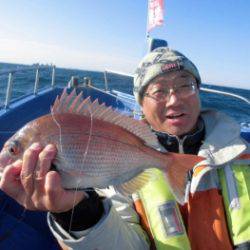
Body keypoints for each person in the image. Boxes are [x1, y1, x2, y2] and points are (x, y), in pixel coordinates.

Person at [0, 47, 249, 250]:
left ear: (198, 92)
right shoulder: (111, 178)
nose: (174, 99)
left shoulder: (244, 154)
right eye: (159, 90)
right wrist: (76, 211)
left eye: (186, 86)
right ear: (141, 103)